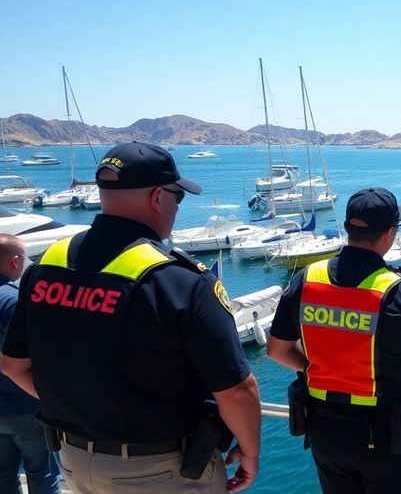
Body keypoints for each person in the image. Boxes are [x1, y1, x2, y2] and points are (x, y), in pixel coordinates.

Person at [0, 142, 261, 494]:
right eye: (178, 198)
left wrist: (78, 411)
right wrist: (250, 453)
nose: (176, 208)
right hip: (163, 471)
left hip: (74, 462)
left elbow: (14, 366)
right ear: (157, 197)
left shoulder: (46, 265)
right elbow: (236, 390)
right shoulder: (182, 281)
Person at [267, 187, 401, 494]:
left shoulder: (307, 279)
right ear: (389, 234)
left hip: (324, 431)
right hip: (385, 438)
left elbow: (276, 350)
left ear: (347, 228)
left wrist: (317, 370)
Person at [0, 234, 60, 494]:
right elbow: (42, 354)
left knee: (3, 478)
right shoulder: (14, 300)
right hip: (24, 406)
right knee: (43, 474)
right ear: (15, 262)